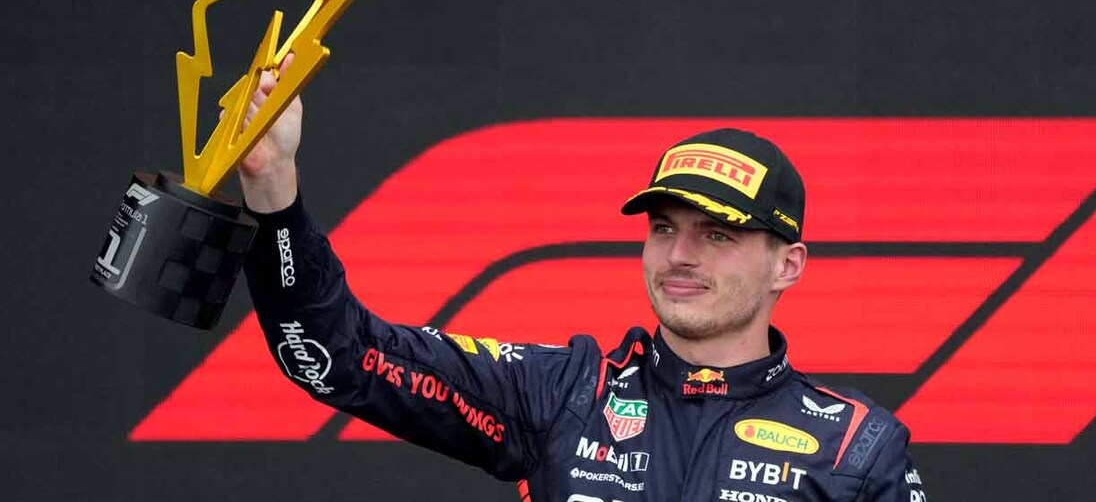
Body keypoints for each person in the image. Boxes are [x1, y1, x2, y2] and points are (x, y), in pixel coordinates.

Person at [237, 58, 928, 501]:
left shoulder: (856, 447)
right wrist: (273, 188)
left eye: (717, 235)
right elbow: (339, 357)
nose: (679, 255)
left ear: (787, 264)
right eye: (664, 228)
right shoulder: (564, 393)